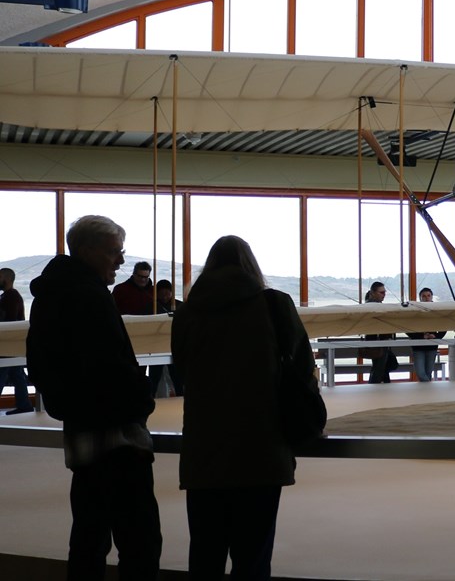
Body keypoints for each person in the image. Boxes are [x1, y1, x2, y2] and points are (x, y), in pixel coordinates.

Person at [25, 215, 162, 580]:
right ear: (88, 251)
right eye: (115, 252)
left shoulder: (52, 295)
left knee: (89, 536)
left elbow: (40, 365)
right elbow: (109, 366)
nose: (120, 261)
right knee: (139, 539)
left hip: (83, 438)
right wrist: (141, 402)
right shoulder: (87, 296)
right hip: (117, 437)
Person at [171, 235, 313, 580]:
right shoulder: (274, 304)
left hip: (204, 451)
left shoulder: (188, 312)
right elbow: (302, 367)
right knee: (253, 557)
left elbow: (180, 373)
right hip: (261, 448)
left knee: (205, 554)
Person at [0, 267, 34, 414]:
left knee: (3, 374)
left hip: (7, 344)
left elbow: (9, 321)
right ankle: (24, 405)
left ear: (5, 278)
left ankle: (24, 405)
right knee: (16, 374)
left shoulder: (10, 297)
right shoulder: (12, 296)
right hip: (14, 345)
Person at [406, 287, 445, 382]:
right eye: (424, 296)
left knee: (428, 372)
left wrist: (436, 336)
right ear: (420, 298)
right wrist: (421, 336)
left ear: (432, 297)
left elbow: (444, 326)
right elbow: (407, 328)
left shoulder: (437, 311)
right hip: (418, 346)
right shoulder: (414, 311)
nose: (426, 298)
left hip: (432, 345)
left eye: (428, 296)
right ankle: (428, 389)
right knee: (420, 372)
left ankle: (426, 393)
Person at [362, 281, 397, 383]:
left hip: (383, 341)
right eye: (381, 293)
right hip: (376, 342)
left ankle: (381, 386)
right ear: (373, 293)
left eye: (384, 293)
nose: (384, 295)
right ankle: (375, 386)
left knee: (383, 367)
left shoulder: (379, 306)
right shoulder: (369, 307)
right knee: (379, 368)